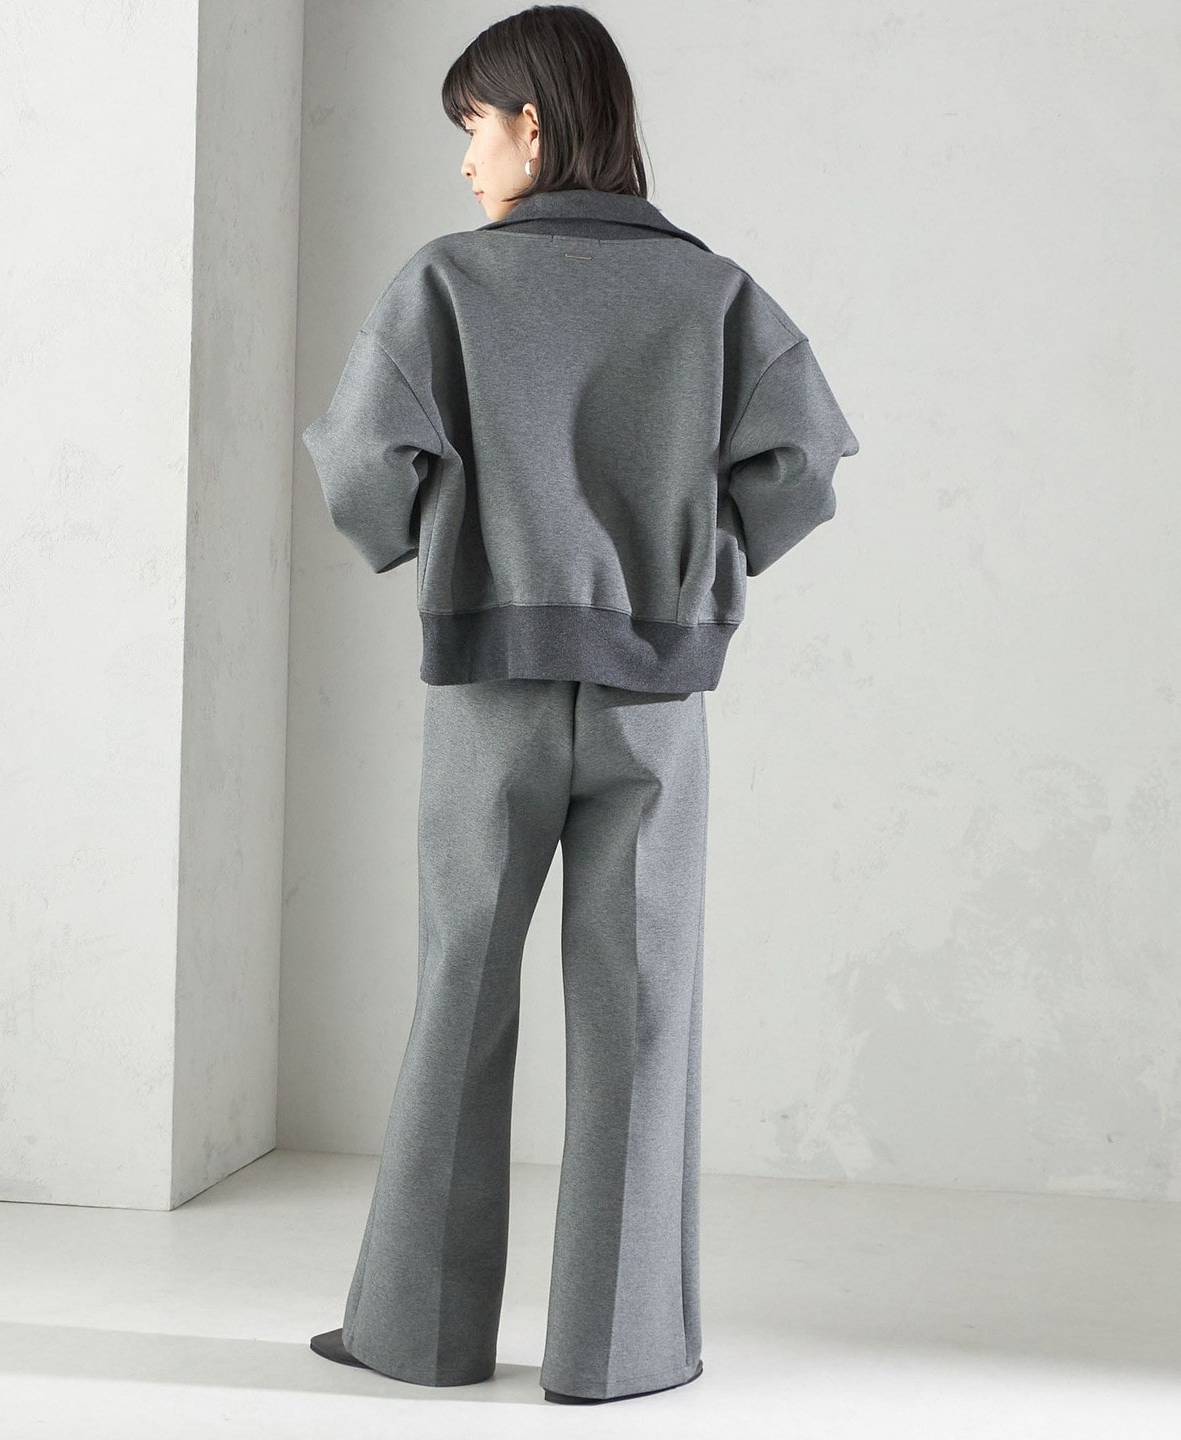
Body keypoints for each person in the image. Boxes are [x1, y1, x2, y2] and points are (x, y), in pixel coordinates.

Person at [302, 2, 859, 1406]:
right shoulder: (713, 294)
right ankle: (623, 1352)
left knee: (459, 992)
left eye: (474, 127)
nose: (465, 161)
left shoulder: (448, 284)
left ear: (534, 126)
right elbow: (800, 468)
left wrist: (450, 536)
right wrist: (696, 559)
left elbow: (361, 468)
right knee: (641, 1011)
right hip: (655, 697)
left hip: (489, 688)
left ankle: (416, 1335)